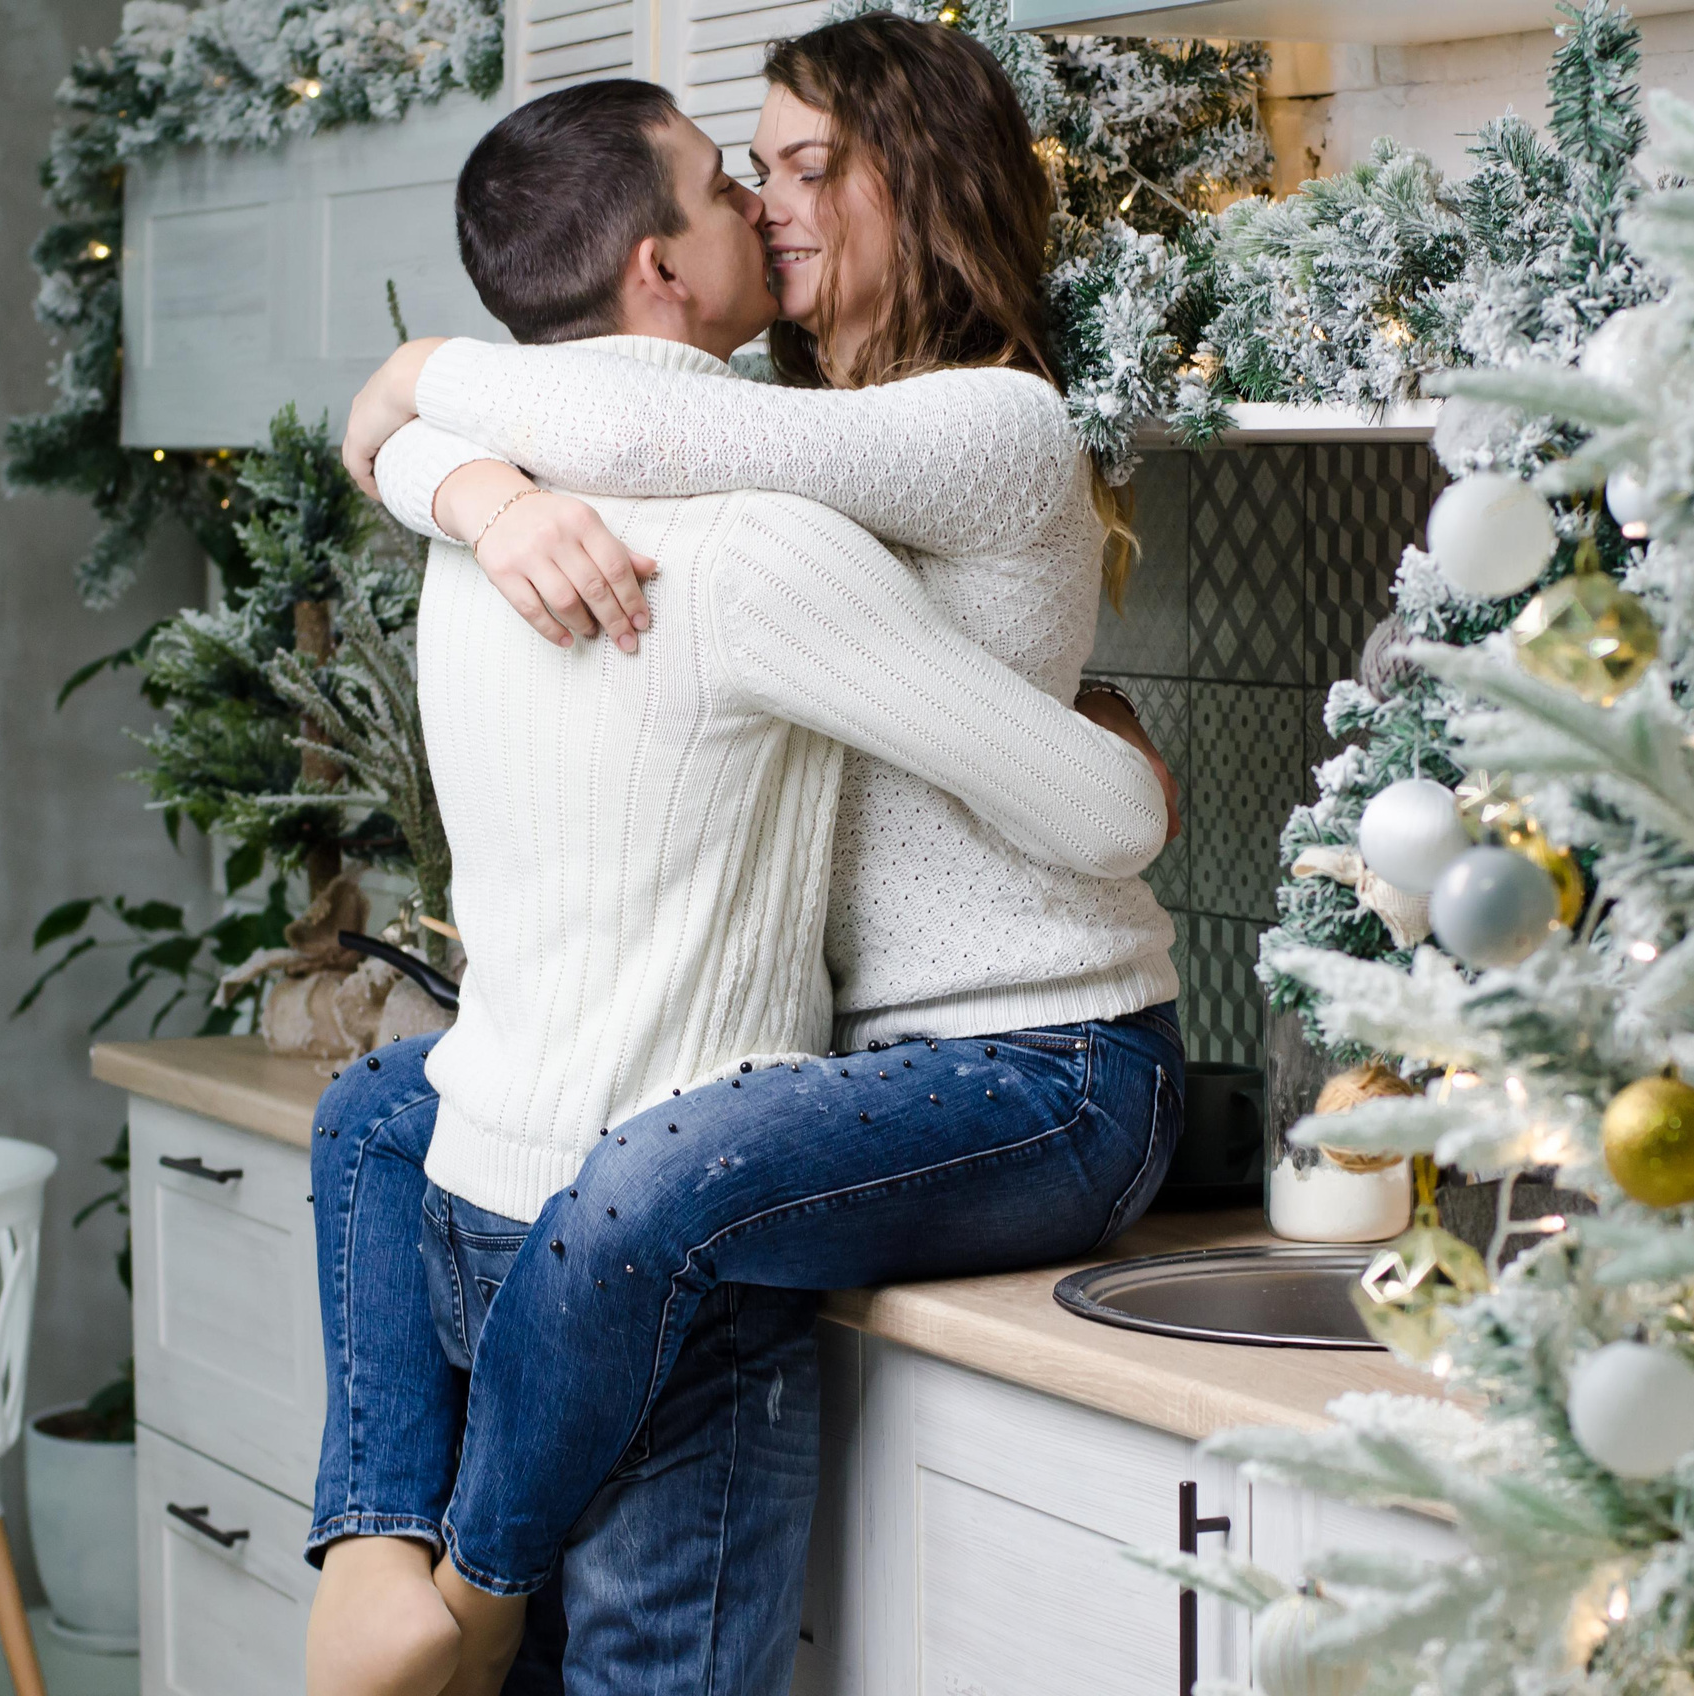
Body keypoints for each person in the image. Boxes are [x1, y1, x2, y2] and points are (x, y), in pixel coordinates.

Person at [305, 54, 1185, 1696]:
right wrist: (465, 483)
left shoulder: (988, 421)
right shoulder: (777, 442)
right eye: (745, 175)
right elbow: (559, 413)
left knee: (645, 1180)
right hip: (842, 1062)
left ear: (910, 179)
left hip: (1038, 1058)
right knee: (380, 1112)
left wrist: (425, 383)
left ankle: (475, 1586)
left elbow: (611, 403)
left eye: (802, 165)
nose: (764, 205)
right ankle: (370, 1538)